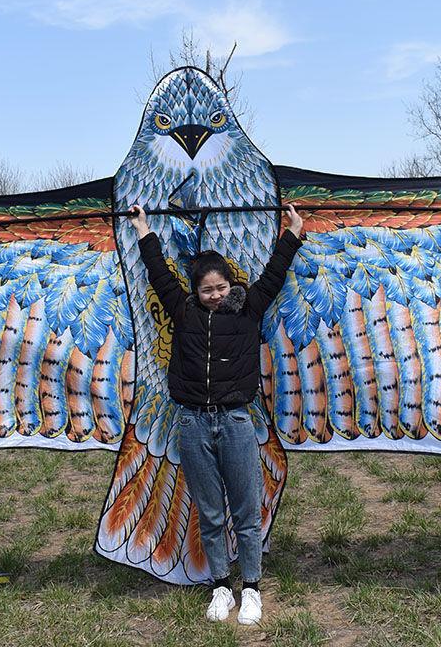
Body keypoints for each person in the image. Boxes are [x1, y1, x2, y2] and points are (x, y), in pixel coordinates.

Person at [128, 204, 304, 625]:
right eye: (207, 290)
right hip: (191, 423)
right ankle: (221, 587)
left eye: (221, 287)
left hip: (237, 422)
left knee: (245, 510)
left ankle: (252, 590)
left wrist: (293, 233)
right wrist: (142, 229)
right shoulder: (183, 311)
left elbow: (275, 272)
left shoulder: (249, 310)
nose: (215, 295)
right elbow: (157, 272)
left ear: (230, 284)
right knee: (209, 511)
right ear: (195, 291)